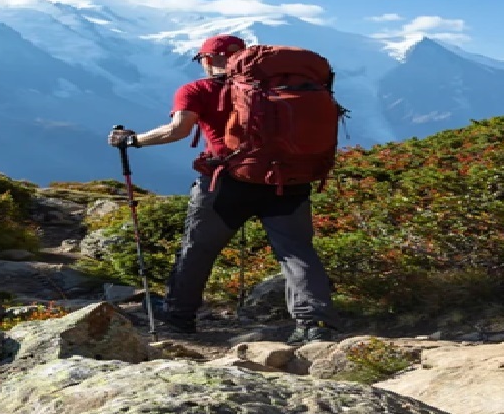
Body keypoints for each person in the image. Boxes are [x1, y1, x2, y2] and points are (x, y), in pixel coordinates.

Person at [106, 34, 342, 344]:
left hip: (226, 183)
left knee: (198, 249)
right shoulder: (281, 87)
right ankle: (314, 324)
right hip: (288, 180)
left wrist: (133, 140)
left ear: (206, 59)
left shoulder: (197, 89)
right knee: (296, 252)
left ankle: (179, 316)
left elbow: (178, 130)